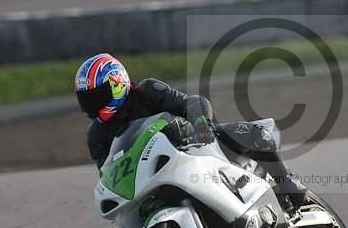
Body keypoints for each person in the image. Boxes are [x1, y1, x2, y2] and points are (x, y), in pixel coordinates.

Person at [74, 53, 307, 207]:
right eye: (87, 100)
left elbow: (193, 102)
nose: (93, 106)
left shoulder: (147, 91)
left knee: (256, 134)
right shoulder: (96, 135)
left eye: (98, 97)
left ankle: (286, 180)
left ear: (117, 83)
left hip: (195, 144)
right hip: (156, 176)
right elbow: (110, 175)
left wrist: (202, 124)